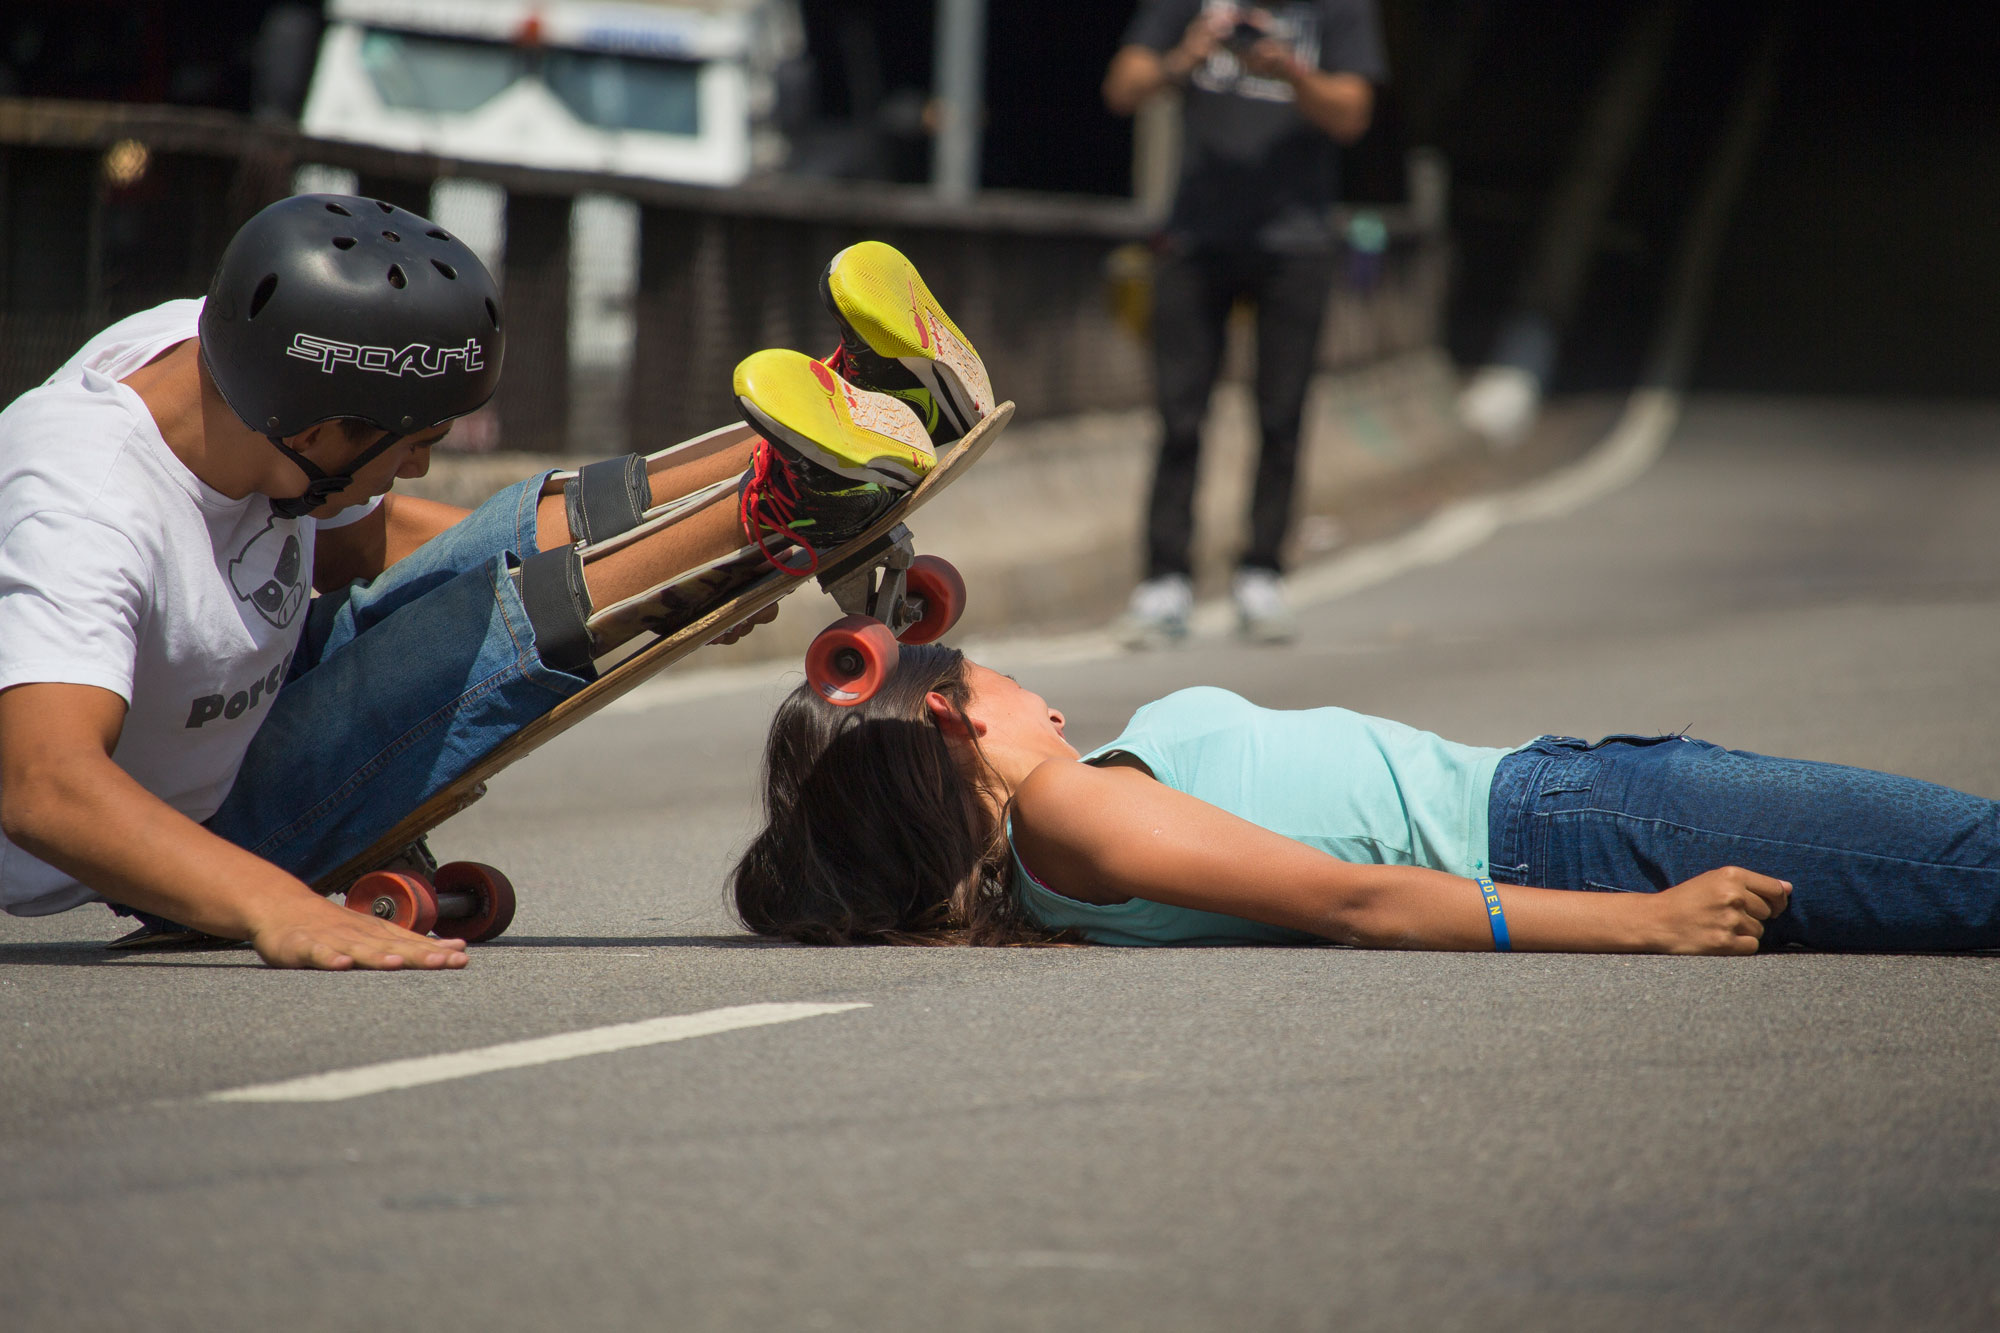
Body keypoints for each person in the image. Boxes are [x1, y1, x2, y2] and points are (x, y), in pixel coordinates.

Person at [0, 196, 992, 971]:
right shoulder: (79, 507)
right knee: (449, 652)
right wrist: (276, 906)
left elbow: (372, 553)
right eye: (415, 443)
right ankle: (770, 511)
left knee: (490, 557)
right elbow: (44, 786)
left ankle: (852, 411)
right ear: (316, 429)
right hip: (177, 831)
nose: (422, 466)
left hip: (243, 703)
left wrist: (650, 569)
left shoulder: (247, 368)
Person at [733, 645, 2000, 953]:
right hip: (1577, 832)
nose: (1046, 701)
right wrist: (1642, 923)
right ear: (951, 716)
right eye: (999, 677)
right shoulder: (1074, 816)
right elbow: (1354, 898)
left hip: (1575, 802)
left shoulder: (1082, 814)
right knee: (1971, 863)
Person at [1104, 0, 1387, 645]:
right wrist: (1185, 58)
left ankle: (1261, 573)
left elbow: (1352, 115)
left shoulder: (1338, 11)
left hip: (1297, 243)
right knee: (1179, 415)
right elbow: (1122, 89)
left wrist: (1288, 69)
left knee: (1282, 415)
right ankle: (1164, 580)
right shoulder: (1187, 8)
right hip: (1193, 240)